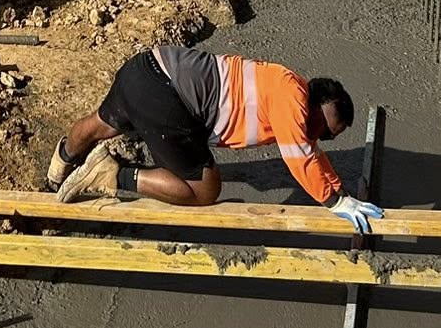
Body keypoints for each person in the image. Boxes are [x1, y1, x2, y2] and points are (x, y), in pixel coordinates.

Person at [46, 45, 383, 229]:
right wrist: (335, 201)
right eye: (323, 130)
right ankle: (112, 173)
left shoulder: (285, 84)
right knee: (205, 188)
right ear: (312, 105)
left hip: (145, 66)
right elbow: (301, 158)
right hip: (168, 97)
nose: (318, 138)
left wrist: (339, 188)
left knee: (100, 124)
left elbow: (310, 153)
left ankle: (58, 168)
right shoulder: (292, 102)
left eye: (327, 138)